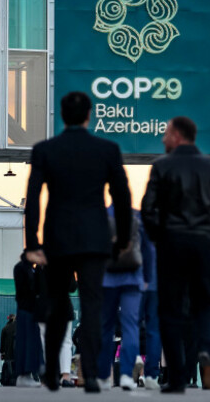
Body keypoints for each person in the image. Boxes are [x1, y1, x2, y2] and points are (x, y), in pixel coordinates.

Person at [24, 91, 132, 393]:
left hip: (57, 238)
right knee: (93, 306)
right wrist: (122, 239)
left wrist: (32, 241)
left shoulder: (45, 150)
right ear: (89, 115)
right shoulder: (107, 149)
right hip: (95, 239)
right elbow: (122, 197)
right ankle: (94, 374)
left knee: (56, 303)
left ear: (61, 114)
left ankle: (51, 373)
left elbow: (33, 197)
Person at [141, 116, 210, 393]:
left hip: (172, 243)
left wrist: (161, 238)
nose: (162, 139)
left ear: (178, 135)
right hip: (206, 244)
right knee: (206, 303)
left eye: (166, 133)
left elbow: (148, 210)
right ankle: (207, 352)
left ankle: (178, 377)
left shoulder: (161, 166)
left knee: (170, 310)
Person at [97, 208, 151, 391]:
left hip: (107, 278)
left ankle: (104, 376)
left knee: (106, 327)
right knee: (131, 326)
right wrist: (147, 277)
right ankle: (127, 374)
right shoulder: (137, 216)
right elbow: (147, 247)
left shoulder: (102, 216)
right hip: (133, 277)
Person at [13, 254, 44, 387]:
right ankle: (24, 373)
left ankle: (27, 373)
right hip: (27, 309)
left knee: (30, 342)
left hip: (31, 309)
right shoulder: (22, 268)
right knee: (27, 342)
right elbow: (31, 288)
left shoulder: (32, 269)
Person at [138, 216, 161, 390]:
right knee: (154, 329)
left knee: (132, 325)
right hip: (157, 284)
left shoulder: (138, 222)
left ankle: (134, 359)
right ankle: (152, 374)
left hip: (137, 282)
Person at [0, 314, 17, 386]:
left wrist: (2, 353)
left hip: (8, 355)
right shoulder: (19, 327)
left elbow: (2, 343)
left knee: (9, 370)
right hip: (17, 355)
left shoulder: (5, 328)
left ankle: (9, 382)